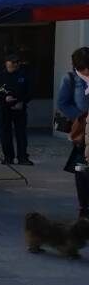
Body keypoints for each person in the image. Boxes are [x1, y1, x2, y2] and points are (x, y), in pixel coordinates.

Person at [58, 47, 89, 220]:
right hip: (83, 132)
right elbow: (63, 103)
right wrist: (80, 116)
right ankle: (84, 206)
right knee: (82, 170)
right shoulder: (70, 79)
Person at [0, 54, 32, 165]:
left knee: (21, 134)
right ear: (6, 63)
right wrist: (4, 98)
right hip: (4, 109)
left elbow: (30, 92)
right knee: (5, 134)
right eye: (12, 62)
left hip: (19, 108)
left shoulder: (23, 75)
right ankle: (8, 157)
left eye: (16, 62)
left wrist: (21, 101)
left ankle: (22, 157)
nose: (14, 64)